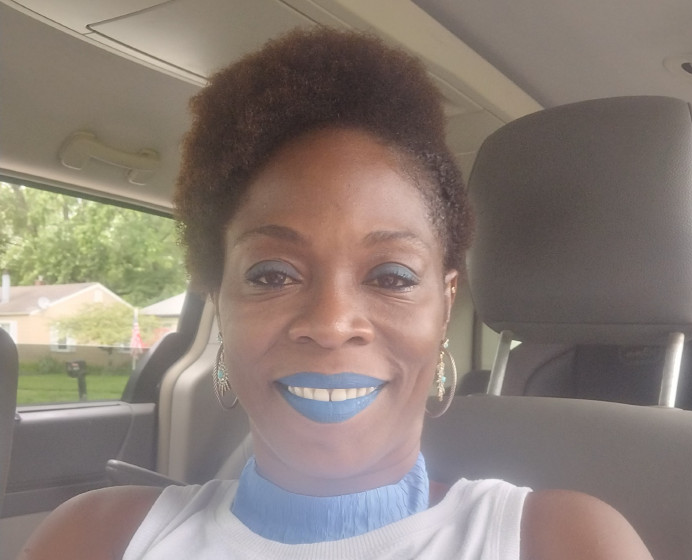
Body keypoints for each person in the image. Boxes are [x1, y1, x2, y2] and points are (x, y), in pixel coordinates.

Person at [19, 28, 652, 560]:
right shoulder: (96, 539)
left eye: (391, 276)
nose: (330, 322)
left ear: (444, 305)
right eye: (272, 274)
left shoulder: (562, 542)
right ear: (219, 303)